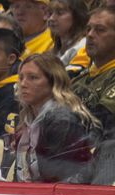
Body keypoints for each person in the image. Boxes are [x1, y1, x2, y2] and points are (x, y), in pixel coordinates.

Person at [15, 53, 98, 182]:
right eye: (21, 78)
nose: (23, 84)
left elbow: (61, 177)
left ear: (54, 82)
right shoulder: (27, 119)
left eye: (33, 77)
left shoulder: (62, 120)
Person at [72, 7, 115, 143]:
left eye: (100, 30)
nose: (90, 35)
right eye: (88, 29)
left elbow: (101, 127)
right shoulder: (80, 77)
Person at [48, 0, 89, 77]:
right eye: (50, 14)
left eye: (59, 13)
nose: (51, 18)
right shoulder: (54, 51)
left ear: (77, 17)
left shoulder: (84, 46)